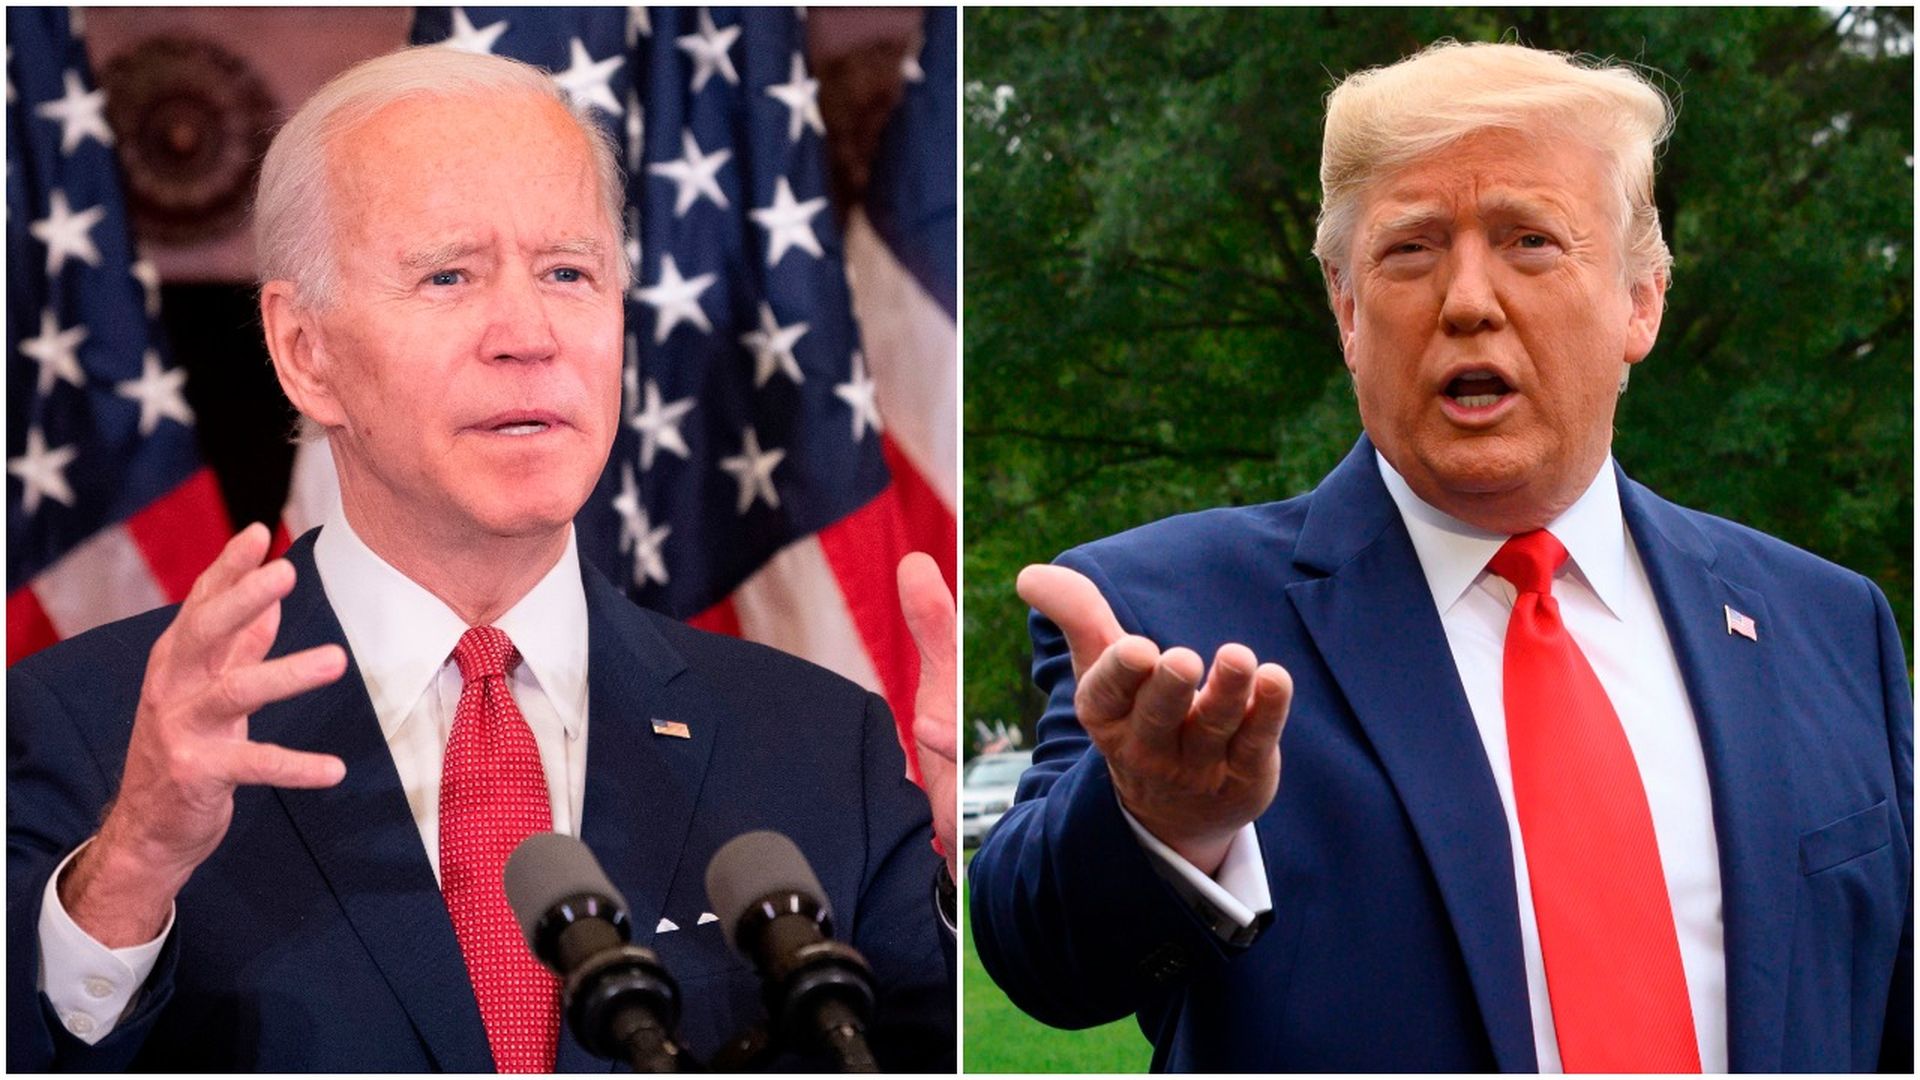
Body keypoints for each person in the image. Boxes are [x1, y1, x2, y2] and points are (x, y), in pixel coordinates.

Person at [7, 46, 958, 1072]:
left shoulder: (823, 745)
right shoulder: (85, 728)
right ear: (304, 351)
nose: (528, 333)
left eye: (568, 273)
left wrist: (980, 892)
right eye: (449, 276)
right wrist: (133, 870)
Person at [969, 41, 1911, 1073]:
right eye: (1411, 249)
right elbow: (1038, 960)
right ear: (1346, 309)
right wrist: (1154, 823)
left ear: (1641, 300)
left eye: (1530, 240)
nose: (1468, 298)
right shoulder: (1169, 619)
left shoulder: (1830, 623)